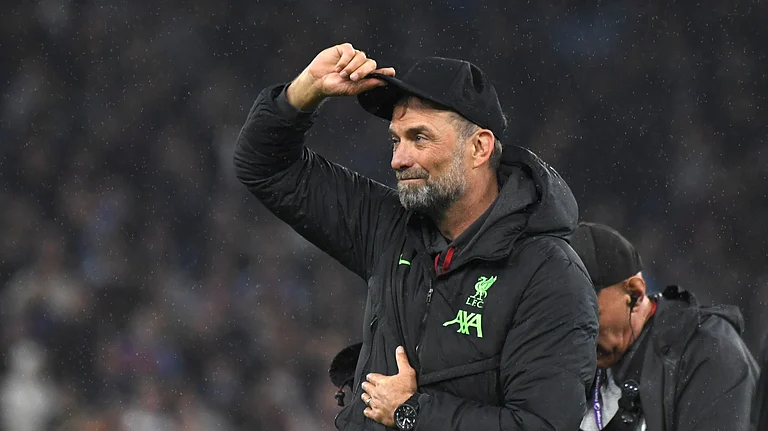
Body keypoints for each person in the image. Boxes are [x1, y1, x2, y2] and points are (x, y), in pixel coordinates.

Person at [233, 42, 599, 431]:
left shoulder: (549, 275)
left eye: (419, 138)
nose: (398, 159)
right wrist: (307, 88)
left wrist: (412, 413)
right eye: (396, 140)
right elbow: (264, 166)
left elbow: (541, 425)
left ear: (479, 147)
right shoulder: (387, 226)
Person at [570, 222, 759, 431]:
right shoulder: (568, 365)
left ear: (635, 293)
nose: (577, 334)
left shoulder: (709, 351)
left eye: (590, 315)